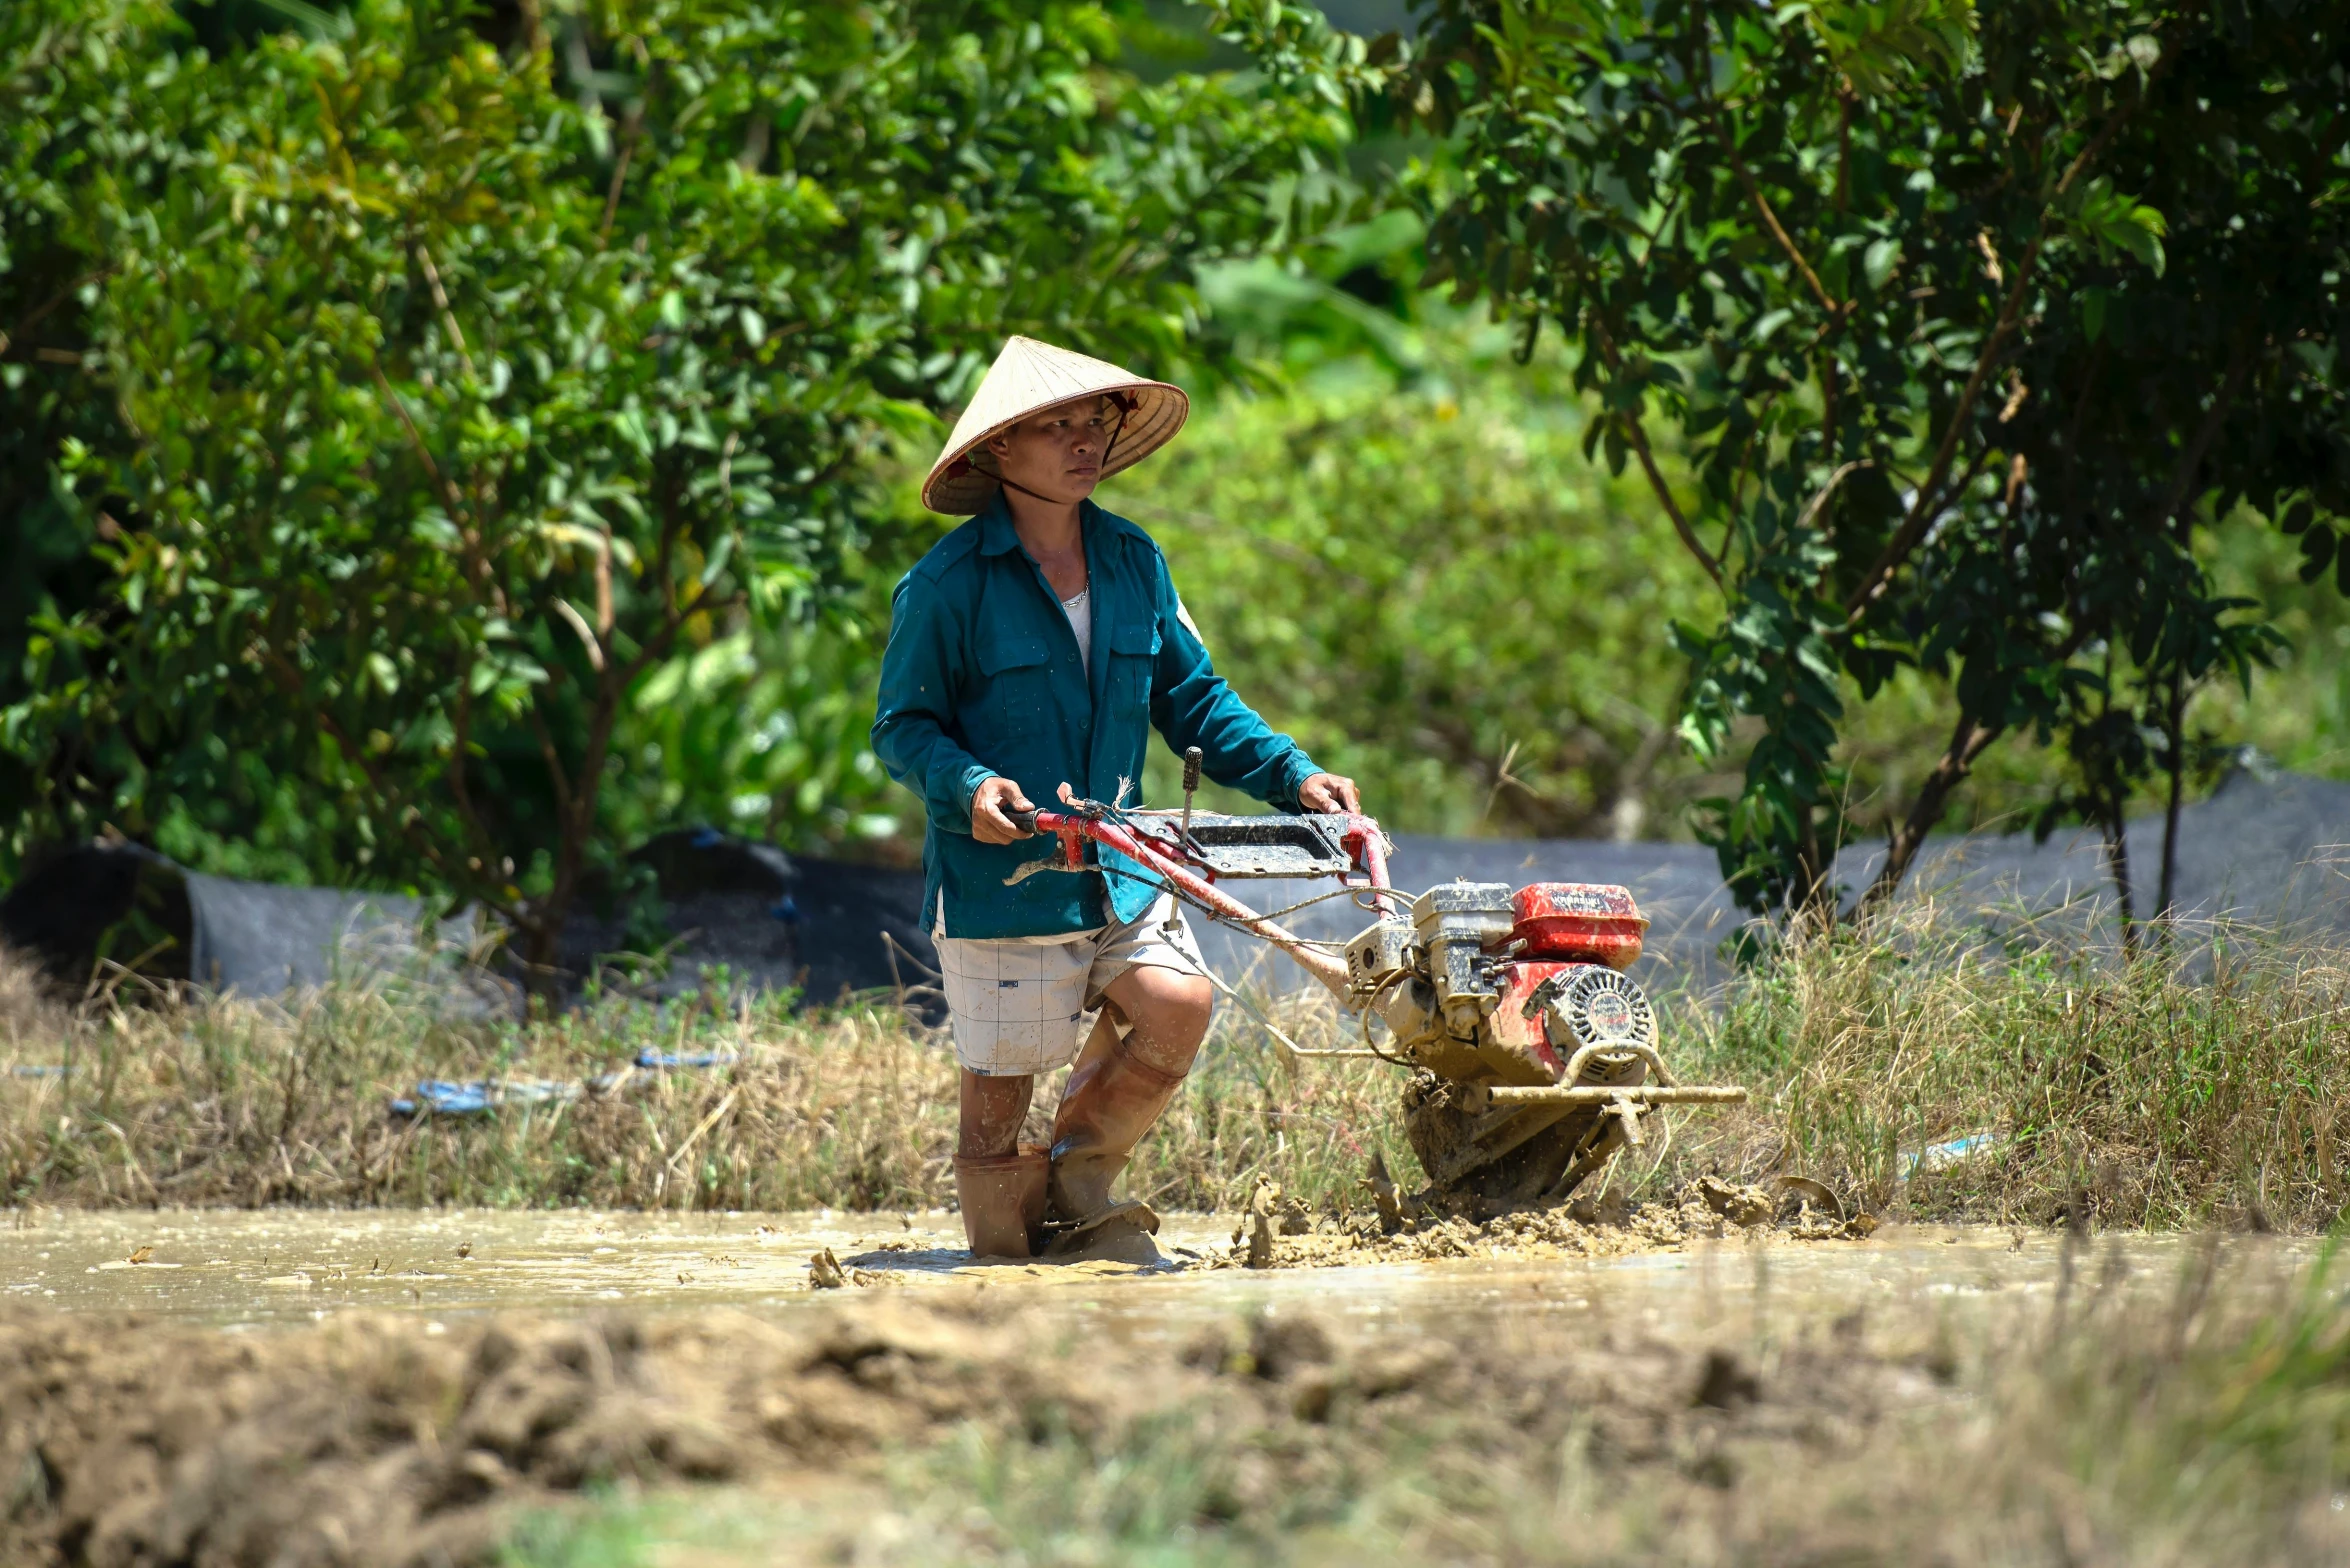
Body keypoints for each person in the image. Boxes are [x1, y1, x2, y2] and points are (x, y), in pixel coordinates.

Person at [871, 336, 1359, 1262]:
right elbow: (903, 727)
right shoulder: (946, 586)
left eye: (1093, 421)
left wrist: (1295, 773)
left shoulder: (1136, 561)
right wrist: (969, 785)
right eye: (1052, 425)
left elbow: (1196, 702)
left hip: (1127, 864)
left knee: (1178, 1004)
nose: (1081, 439)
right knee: (999, 1098)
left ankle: (1078, 1189)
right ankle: (1001, 1272)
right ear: (997, 453)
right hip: (1004, 876)